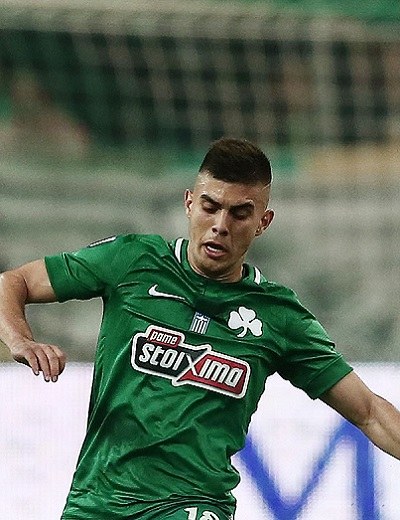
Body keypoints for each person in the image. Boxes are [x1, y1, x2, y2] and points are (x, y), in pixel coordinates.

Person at [0, 137, 400, 520]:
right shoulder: (132, 262)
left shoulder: (278, 316)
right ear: (189, 203)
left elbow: (369, 412)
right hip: (97, 501)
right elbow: (12, 283)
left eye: (239, 214)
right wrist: (19, 339)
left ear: (263, 222)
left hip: (193, 504)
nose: (220, 225)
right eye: (210, 206)